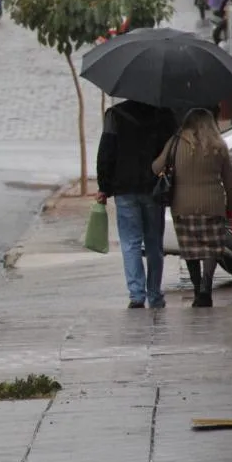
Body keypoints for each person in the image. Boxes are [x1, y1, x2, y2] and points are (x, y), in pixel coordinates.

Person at [152, 108, 232, 308]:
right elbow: (231, 183)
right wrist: (231, 209)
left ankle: (197, 287)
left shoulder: (175, 143)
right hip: (213, 205)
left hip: (182, 206)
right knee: (211, 249)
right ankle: (206, 288)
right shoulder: (219, 146)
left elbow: (156, 167)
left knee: (190, 250)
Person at [97, 100, 179, 309]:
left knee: (130, 243)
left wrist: (104, 186)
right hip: (153, 187)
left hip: (124, 188)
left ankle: (136, 295)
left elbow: (106, 151)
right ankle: (154, 294)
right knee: (154, 245)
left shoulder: (115, 115)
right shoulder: (163, 114)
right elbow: (172, 151)